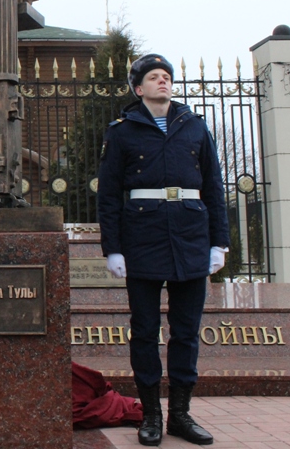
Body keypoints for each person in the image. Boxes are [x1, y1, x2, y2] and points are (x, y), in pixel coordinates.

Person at [97, 53, 229, 446]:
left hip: (191, 236)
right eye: (154, 77)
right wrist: (113, 249)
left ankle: (181, 415)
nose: (163, 82)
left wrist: (219, 242)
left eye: (167, 76)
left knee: (186, 333)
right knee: (145, 331)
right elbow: (108, 195)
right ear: (139, 89)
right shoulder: (122, 131)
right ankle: (151, 415)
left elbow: (215, 188)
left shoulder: (195, 127)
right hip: (143, 238)